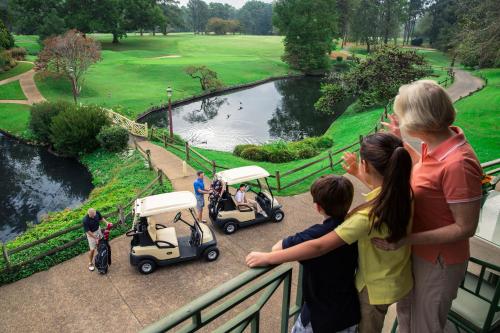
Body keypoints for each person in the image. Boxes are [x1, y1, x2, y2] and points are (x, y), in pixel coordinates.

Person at [246, 133, 414, 333]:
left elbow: (319, 246)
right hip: (396, 278)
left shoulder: (368, 218)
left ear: (366, 165)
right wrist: (358, 174)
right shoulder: (404, 193)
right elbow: (385, 191)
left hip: (373, 290)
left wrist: (269, 257)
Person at [373, 80, 483, 333]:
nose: (402, 121)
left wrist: (405, 239)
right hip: (420, 252)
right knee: (407, 315)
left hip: (438, 261)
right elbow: (425, 171)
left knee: (425, 325)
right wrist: (401, 142)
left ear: (424, 122)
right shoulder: (436, 144)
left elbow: (465, 227)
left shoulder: (458, 165)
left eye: (405, 116)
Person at [272, 175, 359, 333]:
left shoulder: (315, 234)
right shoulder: (356, 225)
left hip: (319, 319)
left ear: (318, 207)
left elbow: (277, 249)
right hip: (347, 312)